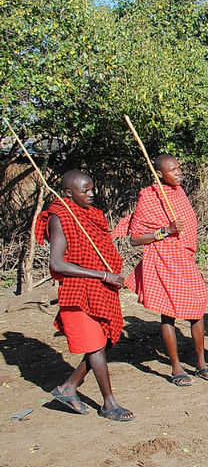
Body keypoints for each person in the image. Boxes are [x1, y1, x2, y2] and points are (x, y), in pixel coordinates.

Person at [34, 171, 134, 421]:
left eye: (92, 189)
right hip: (78, 291)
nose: (92, 194)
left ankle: (67, 388)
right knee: (96, 345)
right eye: (85, 190)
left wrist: (110, 276)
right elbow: (57, 264)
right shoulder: (59, 217)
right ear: (68, 192)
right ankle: (109, 404)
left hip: (100, 288)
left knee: (106, 339)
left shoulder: (88, 215)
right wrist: (103, 275)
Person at [114, 154, 208, 387]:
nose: (179, 173)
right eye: (173, 170)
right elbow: (136, 239)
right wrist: (166, 231)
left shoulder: (178, 192)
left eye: (180, 168)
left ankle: (201, 364)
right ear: (159, 174)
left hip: (184, 259)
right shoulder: (149, 197)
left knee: (197, 308)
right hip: (162, 260)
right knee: (168, 312)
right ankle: (176, 368)